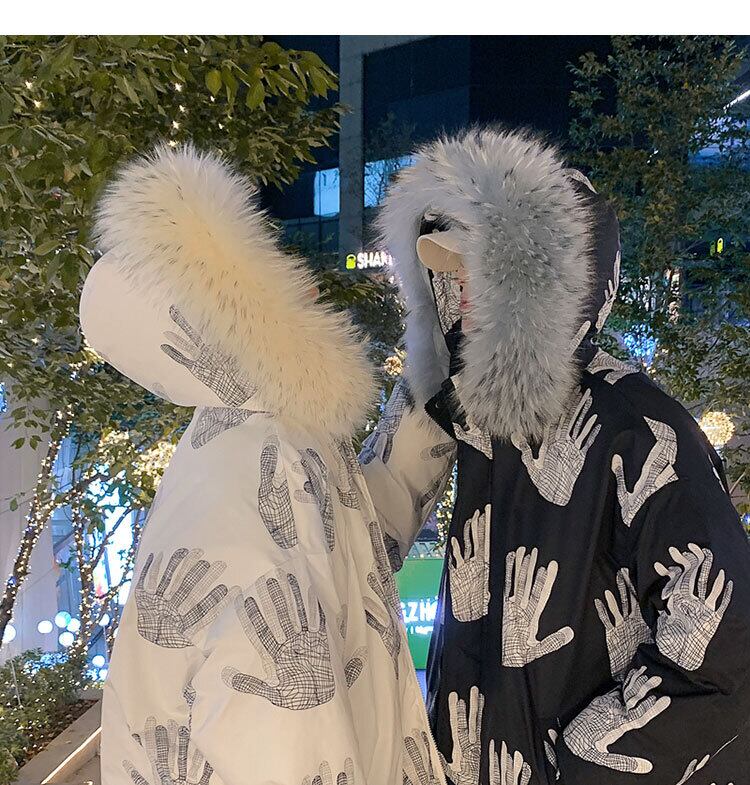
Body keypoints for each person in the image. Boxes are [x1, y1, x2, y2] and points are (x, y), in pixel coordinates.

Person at [363, 127, 750, 784]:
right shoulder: (474, 428)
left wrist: (583, 760)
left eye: (488, 269)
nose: (463, 291)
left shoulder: (636, 424)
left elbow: (725, 652)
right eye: (451, 272)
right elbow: (363, 524)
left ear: (545, 279)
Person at [81, 144, 452, 785]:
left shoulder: (255, 439)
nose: (298, 276)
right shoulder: (261, 468)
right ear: (224, 319)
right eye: (261, 268)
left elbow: (364, 543)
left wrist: (433, 386)